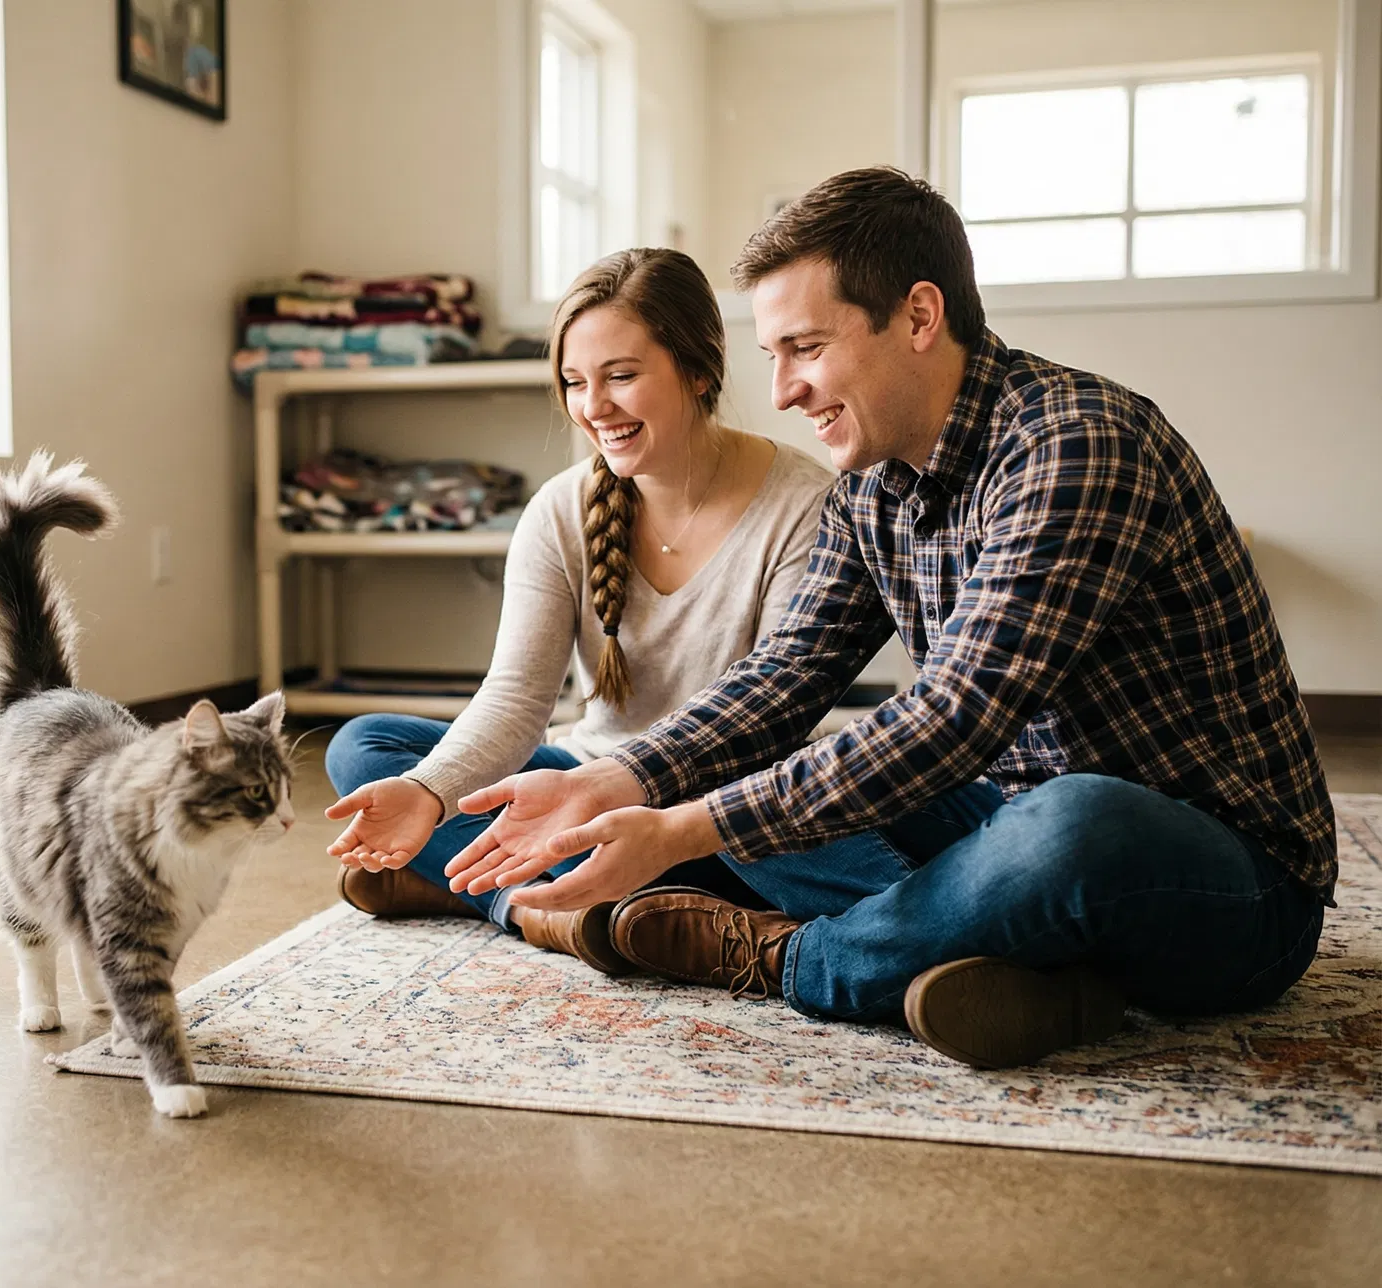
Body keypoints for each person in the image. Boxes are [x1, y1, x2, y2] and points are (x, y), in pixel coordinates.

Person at [442, 167, 1336, 1070]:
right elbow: (782, 678)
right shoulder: (871, 485)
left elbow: (955, 716)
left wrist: (684, 831)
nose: (785, 390)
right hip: (1005, 817)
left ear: (917, 317)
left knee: (1075, 821)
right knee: (752, 760)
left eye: (807, 349)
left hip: (1226, 880)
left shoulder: (1076, 443)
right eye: (772, 358)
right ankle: (999, 960)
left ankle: (801, 958)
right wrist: (623, 780)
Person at [323, 247, 835, 972]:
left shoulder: (803, 504)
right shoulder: (561, 510)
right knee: (365, 747)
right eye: (574, 382)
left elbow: (775, 713)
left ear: (698, 370)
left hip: (707, 801)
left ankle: (473, 884)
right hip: (577, 783)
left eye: (621, 376)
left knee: (803, 842)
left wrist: (636, 799)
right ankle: (542, 908)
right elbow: (516, 699)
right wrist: (427, 793)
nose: (594, 407)